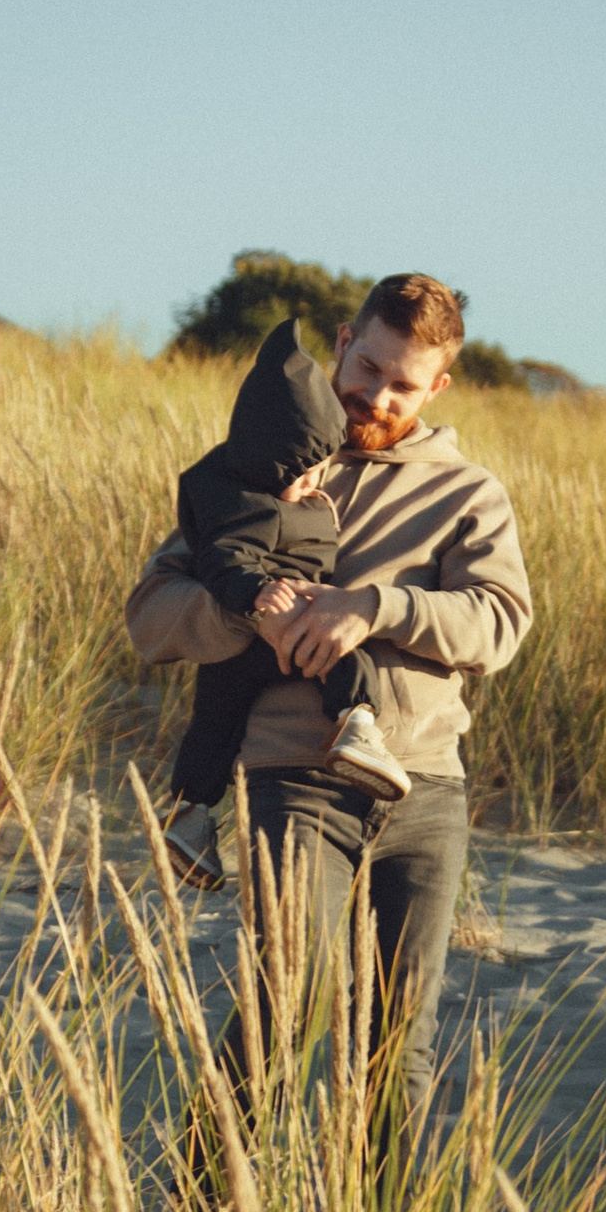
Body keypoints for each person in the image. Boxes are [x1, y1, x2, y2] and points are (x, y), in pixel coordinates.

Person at [125, 270, 532, 1133]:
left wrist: (372, 608)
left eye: (404, 385)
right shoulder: (261, 466)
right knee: (289, 1009)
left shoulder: (470, 494)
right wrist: (248, 613)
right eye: (369, 368)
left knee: (399, 1047)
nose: (377, 396)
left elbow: (499, 625)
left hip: (426, 793)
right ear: (343, 344)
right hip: (292, 783)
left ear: (439, 387)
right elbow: (151, 617)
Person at [158, 316, 409, 891]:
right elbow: (226, 558)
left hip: (231, 655)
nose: (306, 486)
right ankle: (358, 724)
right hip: (279, 622)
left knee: (216, 723)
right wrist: (256, 595)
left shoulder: (232, 486)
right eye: (295, 475)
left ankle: (189, 814)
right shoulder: (252, 506)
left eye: (313, 472)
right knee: (344, 658)